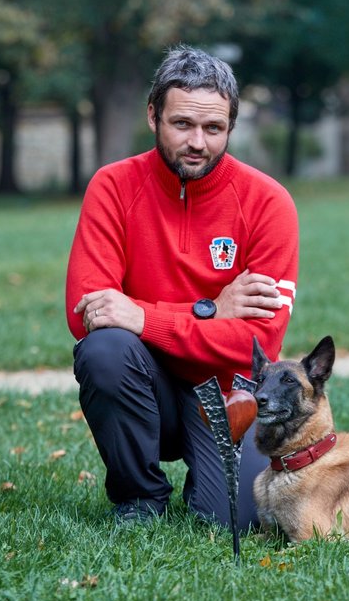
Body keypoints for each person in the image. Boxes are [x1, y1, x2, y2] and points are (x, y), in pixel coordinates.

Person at [65, 45, 300, 529]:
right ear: (153, 115)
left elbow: (260, 341)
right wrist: (214, 309)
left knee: (239, 521)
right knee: (105, 350)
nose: (198, 142)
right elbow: (87, 314)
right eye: (182, 124)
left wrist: (144, 316)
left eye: (213, 129)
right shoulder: (112, 186)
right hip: (142, 379)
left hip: (228, 393)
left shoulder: (269, 203)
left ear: (230, 127)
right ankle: (139, 497)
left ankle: (209, 482)